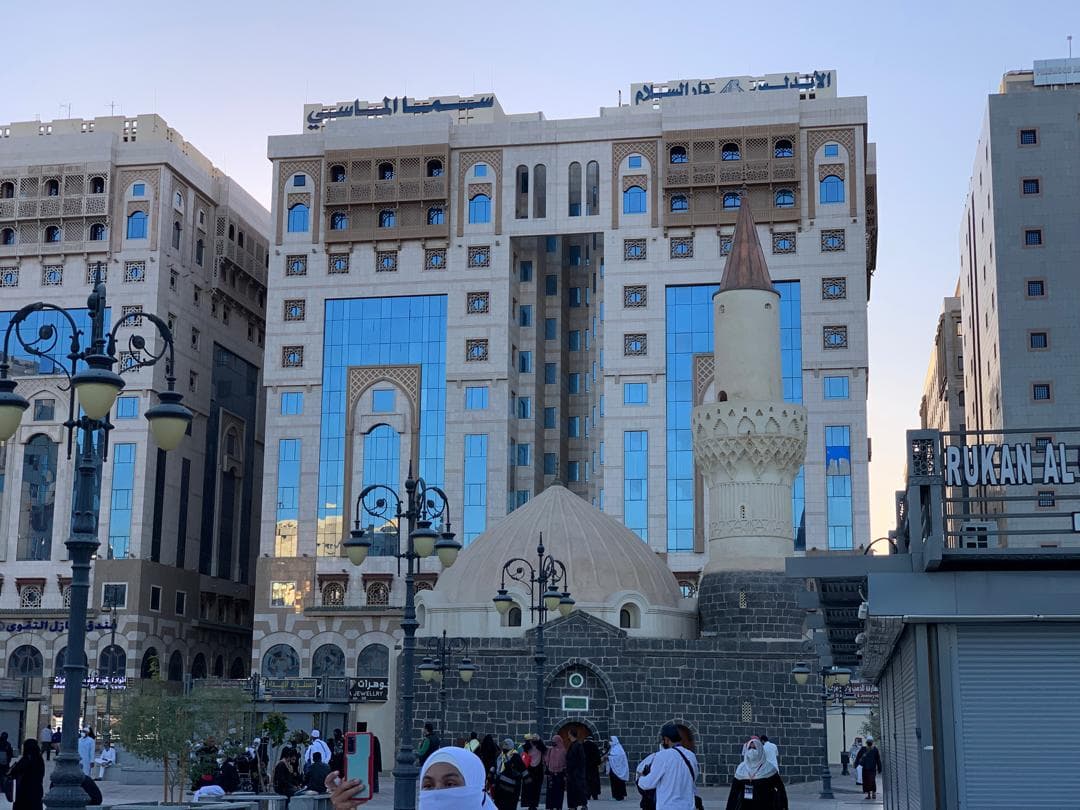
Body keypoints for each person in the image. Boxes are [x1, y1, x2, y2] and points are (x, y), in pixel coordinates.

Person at [635, 723, 699, 810]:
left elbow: (649, 783)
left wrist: (640, 778)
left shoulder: (662, 756)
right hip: (688, 806)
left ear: (666, 739)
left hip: (668, 806)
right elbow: (693, 778)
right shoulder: (691, 756)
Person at [725, 737, 787, 810]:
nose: (752, 751)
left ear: (760, 749)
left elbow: (780, 790)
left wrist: (783, 806)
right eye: (749, 748)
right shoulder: (741, 768)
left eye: (754, 748)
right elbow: (734, 793)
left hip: (766, 806)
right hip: (745, 806)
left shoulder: (769, 768)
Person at [10, 739, 45, 810]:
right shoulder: (39, 759)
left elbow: (14, 772)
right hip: (37, 789)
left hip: (24, 790)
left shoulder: (25, 759)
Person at [492, 738, 525, 810]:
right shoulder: (500, 756)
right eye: (504, 745)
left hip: (511, 789)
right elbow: (495, 768)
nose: (504, 747)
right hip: (501, 789)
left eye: (506, 745)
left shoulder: (515, 756)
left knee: (508, 806)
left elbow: (521, 771)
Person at [520, 736, 546, 810]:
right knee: (530, 789)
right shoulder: (528, 746)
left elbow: (544, 749)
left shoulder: (539, 746)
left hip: (537, 770)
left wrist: (539, 740)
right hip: (530, 770)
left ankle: (533, 805)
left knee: (535, 789)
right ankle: (530, 805)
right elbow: (523, 748)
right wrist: (530, 741)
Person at [565, 729, 588, 810]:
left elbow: (581, 759)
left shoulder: (578, 745)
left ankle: (583, 805)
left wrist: (578, 770)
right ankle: (573, 806)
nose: (568, 736)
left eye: (568, 734)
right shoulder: (573, 744)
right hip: (572, 772)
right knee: (572, 790)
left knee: (579, 789)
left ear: (571, 734)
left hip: (576, 772)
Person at [544, 734, 567, 810]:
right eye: (552, 741)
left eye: (554, 741)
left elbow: (565, 762)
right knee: (551, 791)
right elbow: (546, 760)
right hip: (551, 774)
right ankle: (550, 806)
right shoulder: (550, 750)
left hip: (560, 774)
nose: (553, 742)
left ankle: (558, 806)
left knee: (559, 791)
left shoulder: (563, 750)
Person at [859, 736, 882, 801]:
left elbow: (878, 759)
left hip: (872, 768)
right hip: (866, 768)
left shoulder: (875, 749)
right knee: (867, 781)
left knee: (872, 781)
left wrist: (879, 768)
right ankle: (869, 794)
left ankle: (873, 793)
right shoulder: (864, 749)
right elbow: (859, 756)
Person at [606, 736, 629, 801]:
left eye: (611, 741)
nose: (609, 742)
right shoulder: (612, 748)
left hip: (618, 769)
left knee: (619, 782)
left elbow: (618, 757)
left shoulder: (618, 749)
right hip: (613, 768)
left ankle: (619, 795)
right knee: (614, 783)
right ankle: (615, 795)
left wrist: (609, 757)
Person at [583, 736, 602, 801]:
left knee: (586, 781)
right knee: (594, 781)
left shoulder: (583, 746)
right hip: (593, 768)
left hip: (585, 767)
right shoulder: (594, 746)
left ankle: (587, 795)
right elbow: (598, 759)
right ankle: (595, 795)